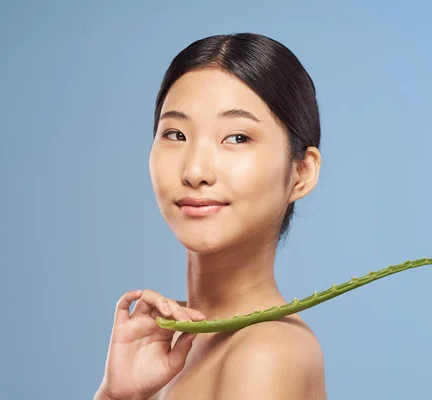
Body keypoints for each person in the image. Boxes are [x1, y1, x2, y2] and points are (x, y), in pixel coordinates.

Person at [94, 33, 326, 399]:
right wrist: (117, 395)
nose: (196, 170)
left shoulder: (266, 352)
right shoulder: (164, 344)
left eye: (236, 138)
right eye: (175, 134)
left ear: (301, 172)